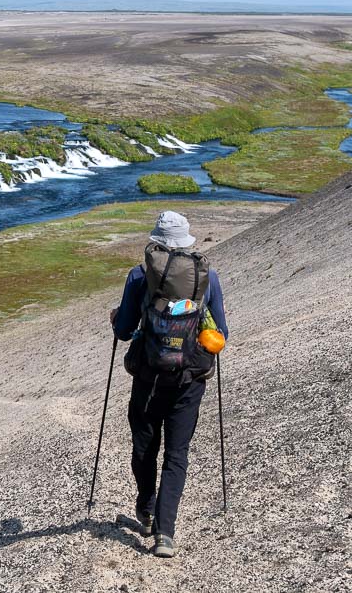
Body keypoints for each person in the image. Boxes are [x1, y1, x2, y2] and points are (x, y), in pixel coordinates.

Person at [109, 211, 228, 558]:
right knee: (177, 454)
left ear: (157, 242)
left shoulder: (139, 275)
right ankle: (165, 534)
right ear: (187, 241)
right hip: (189, 380)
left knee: (144, 448)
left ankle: (146, 511)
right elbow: (221, 333)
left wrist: (117, 319)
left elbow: (124, 330)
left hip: (148, 379)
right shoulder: (207, 276)